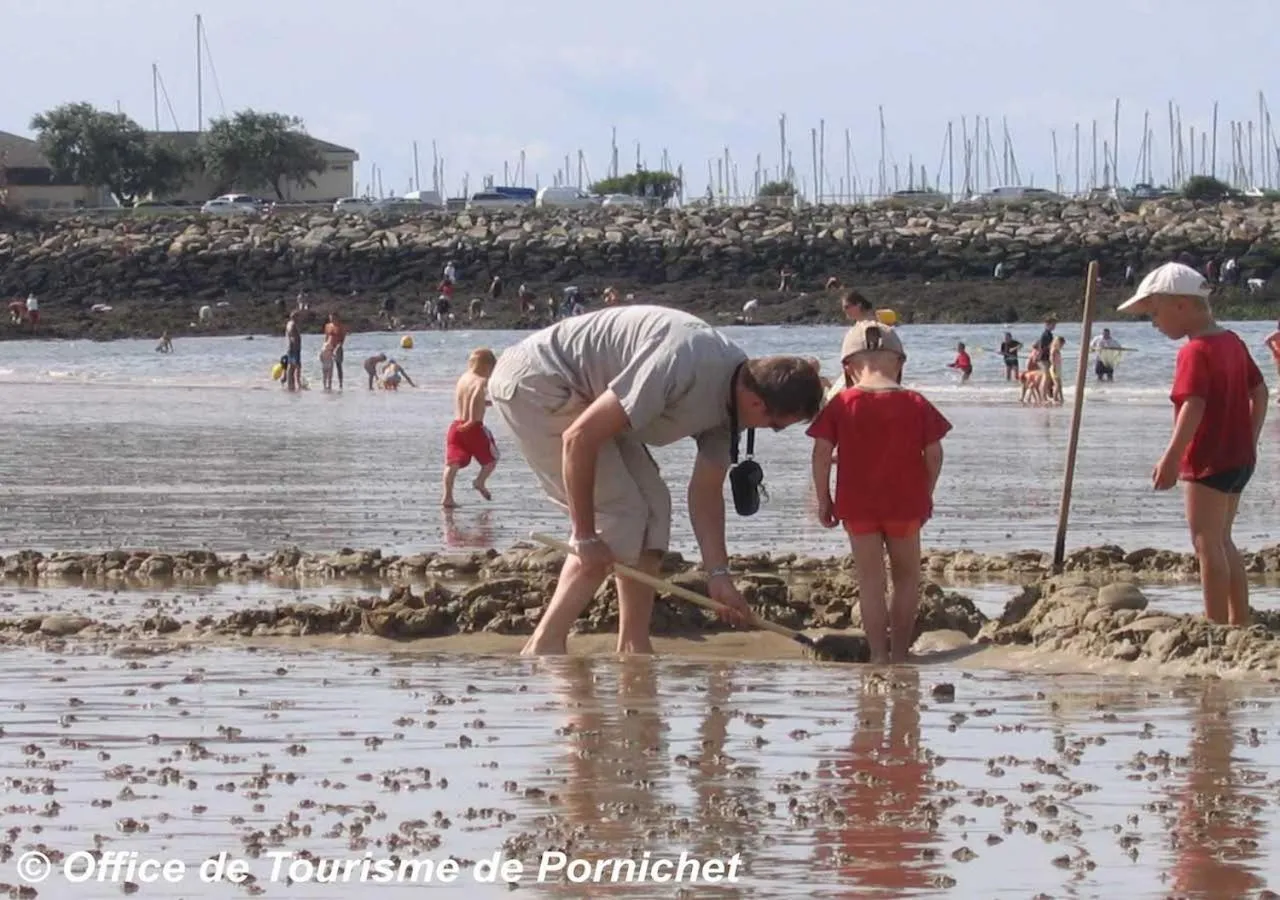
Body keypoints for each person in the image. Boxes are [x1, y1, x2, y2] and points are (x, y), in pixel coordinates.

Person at [487, 305, 825, 656]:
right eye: (774, 426)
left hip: (589, 398)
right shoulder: (683, 362)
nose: (768, 431)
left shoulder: (733, 404)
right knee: (619, 516)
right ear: (757, 403)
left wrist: (719, 576)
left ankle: (634, 646)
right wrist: (585, 535)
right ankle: (544, 645)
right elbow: (579, 438)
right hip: (538, 382)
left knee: (655, 509)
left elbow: (706, 493)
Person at [1117, 262, 1268, 626]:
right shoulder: (1232, 341)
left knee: (1205, 544)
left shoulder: (1195, 351)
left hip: (1207, 459)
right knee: (1224, 540)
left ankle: (1216, 624)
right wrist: (1251, 437)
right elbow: (1260, 392)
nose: (1154, 322)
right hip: (1240, 457)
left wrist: (1171, 458)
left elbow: (1193, 405)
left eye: (1155, 312)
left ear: (1181, 305)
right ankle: (1239, 619)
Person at [807, 321, 951, 664]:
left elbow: (821, 454)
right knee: (906, 581)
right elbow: (934, 454)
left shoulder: (842, 403)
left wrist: (823, 498)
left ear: (848, 367)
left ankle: (877, 655)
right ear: (899, 363)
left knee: (871, 584)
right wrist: (925, 492)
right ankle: (900, 653)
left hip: (857, 506)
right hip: (905, 505)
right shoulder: (916, 402)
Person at [442, 348, 499, 507]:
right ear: (487, 366)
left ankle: (447, 497)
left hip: (456, 426)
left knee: (452, 463)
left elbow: (469, 400)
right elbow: (475, 397)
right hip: (473, 427)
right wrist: (473, 420)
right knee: (492, 459)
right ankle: (480, 482)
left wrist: (489, 404)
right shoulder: (480, 380)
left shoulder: (463, 378)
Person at [323, 313, 348, 389]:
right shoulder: (327, 326)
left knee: (338, 366)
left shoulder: (341, 327)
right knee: (327, 366)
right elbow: (326, 337)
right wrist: (324, 347)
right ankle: (327, 384)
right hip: (329, 347)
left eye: (333, 318)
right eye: (330, 318)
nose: (332, 319)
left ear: (337, 317)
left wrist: (338, 347)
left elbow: (342, 339)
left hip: (338, 348)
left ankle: (340, 384)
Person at [284, 312, 302, 392]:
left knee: (292, 367)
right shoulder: (292, 325)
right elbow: (293, 337)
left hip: (291, 348)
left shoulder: (289, 324)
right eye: (298, 317)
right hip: (294, 349)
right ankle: (293, 385)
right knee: (294, 367)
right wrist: (295, 346)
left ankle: (292, 385)